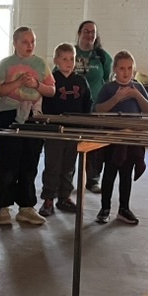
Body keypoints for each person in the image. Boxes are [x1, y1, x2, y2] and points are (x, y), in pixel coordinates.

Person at [0, 26, 56, 226]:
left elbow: (51, 90)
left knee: (30, 162)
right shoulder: (5, 64)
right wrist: (19, 82)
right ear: (15, 43)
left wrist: (36, 85)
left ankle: (26, 207)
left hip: (33, 116)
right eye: (25, 42)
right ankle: (3, 207)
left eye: (32, 42)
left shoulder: (39, 64)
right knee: (8, 162)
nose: (30, 46)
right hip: (10, 115)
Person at [94, 50, 148, 225]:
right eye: (122, 68)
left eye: (129, 68)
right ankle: (105, 208)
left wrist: (136, 95)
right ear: (115, 69)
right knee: (109, 174)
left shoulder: (138, 87)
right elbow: (98, 109)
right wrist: (116, 98)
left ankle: (124, 208)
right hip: (112, 138)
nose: (125, 72)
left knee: (126, 174)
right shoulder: (108, 88)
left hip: (131, 139)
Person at [39, 42, 92, 217]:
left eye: (72, 59)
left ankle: (65, 196)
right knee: (53, 164)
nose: (69, 62)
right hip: (55, 129)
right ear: (56, 60)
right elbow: (45, 103)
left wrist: (84, 125)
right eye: (64, 59)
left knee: (69, 165)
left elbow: (87, 104)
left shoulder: (81, 81)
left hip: (74, 130)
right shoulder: (51, 80)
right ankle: (48, 199)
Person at [74, 20, 112, 195]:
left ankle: (92, 180)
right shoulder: (70, 53)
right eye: (86, 31)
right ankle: (65, 182)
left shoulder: (103, 57)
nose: (89, 35)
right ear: (79, 33)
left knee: (95, 147)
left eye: (93, 32)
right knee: (70, 148)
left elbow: (107, 80)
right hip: (73, 109)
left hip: (95, 109)